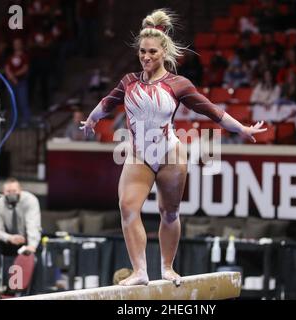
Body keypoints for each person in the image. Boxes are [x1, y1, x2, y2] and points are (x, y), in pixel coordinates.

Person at [80, 9, 267, 286]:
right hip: (139, 155)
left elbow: (212, 110)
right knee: (127, 207)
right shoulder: (128, 82)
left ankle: (167, 267)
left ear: (164, 52)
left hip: (169, 154)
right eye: (142, 51)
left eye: (152, 52)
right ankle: (140, 271)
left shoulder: (177, 84)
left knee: (169, 212)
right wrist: (91, 121)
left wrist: (241, 128)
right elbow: (107, 103)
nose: (146, 57)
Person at [0, 178, 42, 256]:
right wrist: (9, 238)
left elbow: (33, 225)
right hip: (8, 240)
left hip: (27, 239)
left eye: (14, 191)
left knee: (38, 244)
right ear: (3, 192)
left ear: (20, 190)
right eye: (8, 191)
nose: (11, 194)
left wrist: (32, 245)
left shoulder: (30, 200)